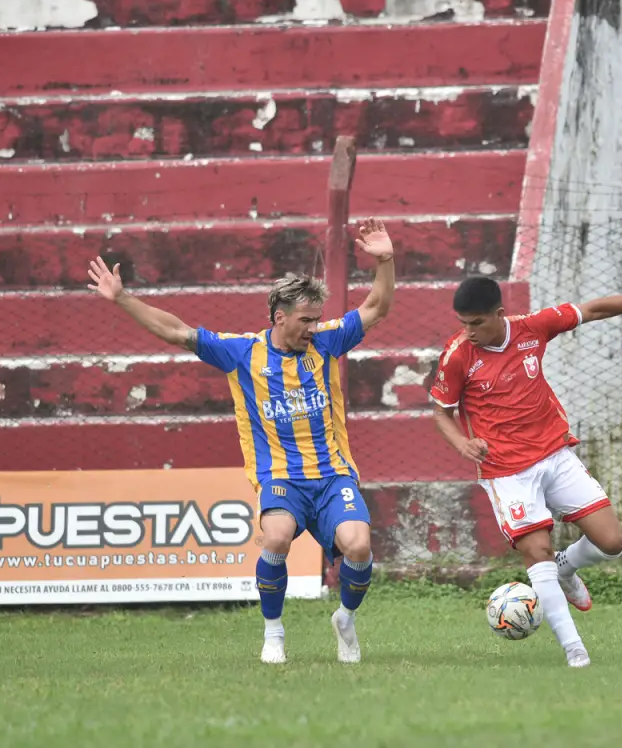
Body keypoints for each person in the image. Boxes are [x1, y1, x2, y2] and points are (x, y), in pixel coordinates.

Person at [86, 218, 396, 665]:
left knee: (360, 547)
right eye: (305, 320)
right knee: (277, 538)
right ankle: (274, 633)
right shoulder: (243, 353)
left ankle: (345, 619)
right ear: (279, 317)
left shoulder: (326, 342)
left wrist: (385, 260)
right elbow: (177, 331)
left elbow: (377, 307)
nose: (314, 327)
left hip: (332, 474)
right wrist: (123, 298)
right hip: (280, 476)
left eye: (316, 319)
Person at [429, 277, 622, 667]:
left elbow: (594, 309)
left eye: (476, 323)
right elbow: (442, 412)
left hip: (554, 454)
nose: (468, 331)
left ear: (499, 315)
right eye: (463, 323)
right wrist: (463, 444)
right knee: (536, 551)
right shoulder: (458, 355)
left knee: (612, 543)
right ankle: (575, 650)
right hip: (507, 472)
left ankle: (566, 567)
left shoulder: (532, 328)